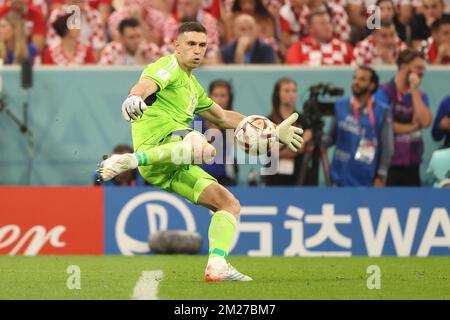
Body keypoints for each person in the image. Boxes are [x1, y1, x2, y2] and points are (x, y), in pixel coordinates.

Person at [97, 21, 303, 281]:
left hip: (169, 168)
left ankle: (217, 264)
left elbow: (224, 116)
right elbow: (145, 85)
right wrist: (133, 97)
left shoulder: (193, 88)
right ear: (177, 46)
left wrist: (273, 131)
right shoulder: (168, 66)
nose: (197, 50)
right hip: (159, 143)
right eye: (191, 44)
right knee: (203, 146)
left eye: (202, 45)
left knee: (228, 204)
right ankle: (130, 160)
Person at [324, 66, 394, 186]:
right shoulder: (340, 105)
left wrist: (381, 175)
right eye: (354, 78)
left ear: (372, 85)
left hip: (366, 178)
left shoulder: (382, 110)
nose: (356, 82)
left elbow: (387, 147)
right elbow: (330, 137)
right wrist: (316, 139)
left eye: (362, 79)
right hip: (339, 176)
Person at [375, 48, 433, 186]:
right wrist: (413, 126)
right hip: (389, 165)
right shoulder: (384, 92)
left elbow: (425, 122)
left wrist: (415, 90)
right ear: (403, 66)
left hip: (413, 163)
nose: (421, 72)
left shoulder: (420, 95)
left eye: (423, 68)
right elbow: (385, 126)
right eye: (418, 68)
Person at [262, 78, 313, 186]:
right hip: (274, 176)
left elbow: (305, 145)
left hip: (300, 175)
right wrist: (299, 145)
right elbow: (272, 151)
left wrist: (291, 148)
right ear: (278, 94)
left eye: (294, 91)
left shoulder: (303, 121)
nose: (291, 94)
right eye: (286, 90)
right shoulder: (269, 121)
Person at [191, 79, 238, 186]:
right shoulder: (199, 119)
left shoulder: (233, 119)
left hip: (226, 176)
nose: (219, 99)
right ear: (210, 97)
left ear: (229, 98)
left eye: (223, 96)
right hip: (202, 175)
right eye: (216, 95)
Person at [285, 10, 353, 65]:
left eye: (329, 23)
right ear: (310, 28)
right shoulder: (298, 48)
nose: (328, 27)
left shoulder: (345, 47)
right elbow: (294, 74)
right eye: (322, 24)